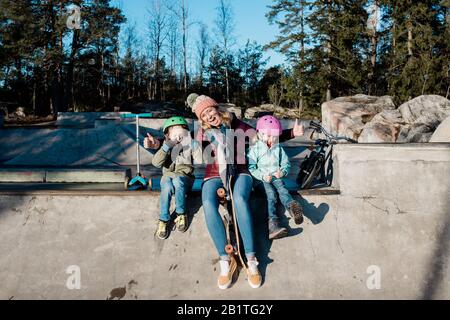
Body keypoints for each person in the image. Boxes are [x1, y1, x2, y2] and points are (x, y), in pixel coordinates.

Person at [189, 95, 305, 290]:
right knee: (208, 202)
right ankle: (225, 260)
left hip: (241, 170)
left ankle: (251, 260)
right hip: (214, 173)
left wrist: (292, 132)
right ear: (201, 119)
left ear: (217, 109)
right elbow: (176, 139)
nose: (209, 115)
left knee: (240, 199)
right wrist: (160, 144)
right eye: (204, 114)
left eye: (210, 110)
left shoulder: (235, 124)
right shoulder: (202, 133)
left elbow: (263, 135)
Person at [247, 115, 304, 241]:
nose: (271, 139)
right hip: (262, 179)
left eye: (274, 136)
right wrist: (262, 176)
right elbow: (251, 167)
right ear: (260, 134)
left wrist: (282, 172)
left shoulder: (278, 148)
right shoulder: (254, 149)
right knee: (271, 195)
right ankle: (272, 224)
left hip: (275, 176)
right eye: (268, 136)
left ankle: (292, 207)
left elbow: (286, 164)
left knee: (283, 190)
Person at [147, 116, 201, 240]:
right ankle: (163, 218)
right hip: (168, 176)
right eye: (174, 134)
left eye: (181, 133)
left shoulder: (189, 146)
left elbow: (199, 159)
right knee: (166, 184)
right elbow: (156, 163)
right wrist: (166, 146)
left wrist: (193, 143)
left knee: (177, 180)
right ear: (168, 136)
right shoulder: (166, 147)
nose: (178, 137)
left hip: (185, 178)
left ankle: (181, 213)